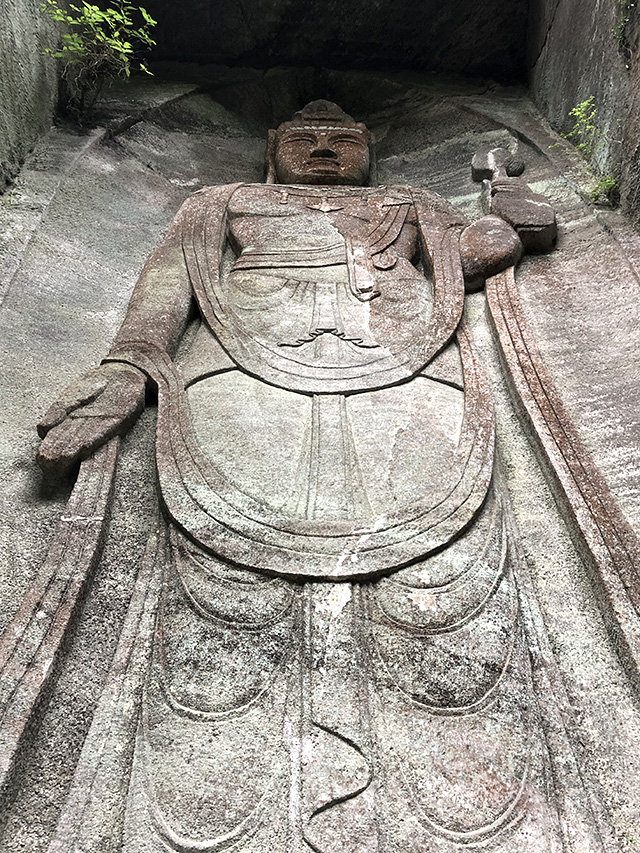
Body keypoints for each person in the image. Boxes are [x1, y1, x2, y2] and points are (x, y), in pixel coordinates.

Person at [38, 102, 589, 852]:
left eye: (343, 139)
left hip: (402, 374)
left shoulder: (409, 205)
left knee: (437, 583)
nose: (325, 148)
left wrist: (512, 209)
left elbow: (473, 256)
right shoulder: (224, 202)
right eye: (305, 138)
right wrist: (132, 361)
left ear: (369, 151)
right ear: (272, 147)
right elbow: (172, 281)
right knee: (222, 580)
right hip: (242, 370)